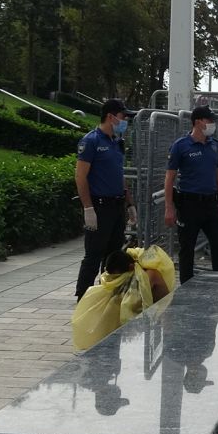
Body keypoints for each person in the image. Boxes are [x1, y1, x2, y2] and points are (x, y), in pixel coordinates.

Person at [163, 105, 218, 284]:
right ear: (198, 122)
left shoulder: (214, 146)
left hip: (211, 204)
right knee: (187, 249)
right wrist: (169, 207)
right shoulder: (181, 146)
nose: (212, 124)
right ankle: (185, 287)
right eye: (209, 120)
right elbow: (169, 178)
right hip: (189, 205)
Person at [74, 98, 137, 301]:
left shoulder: (117, 143)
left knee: (113, 257)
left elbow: (119, 175)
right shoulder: (91, 141)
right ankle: (83, 298)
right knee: (93, 256)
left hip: (116, 205)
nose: (125, 120)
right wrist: (88, 208)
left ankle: (108, 297)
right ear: (110, 117)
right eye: (122, 116)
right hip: (99, 206)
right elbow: (80, 176)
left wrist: (129, 203)